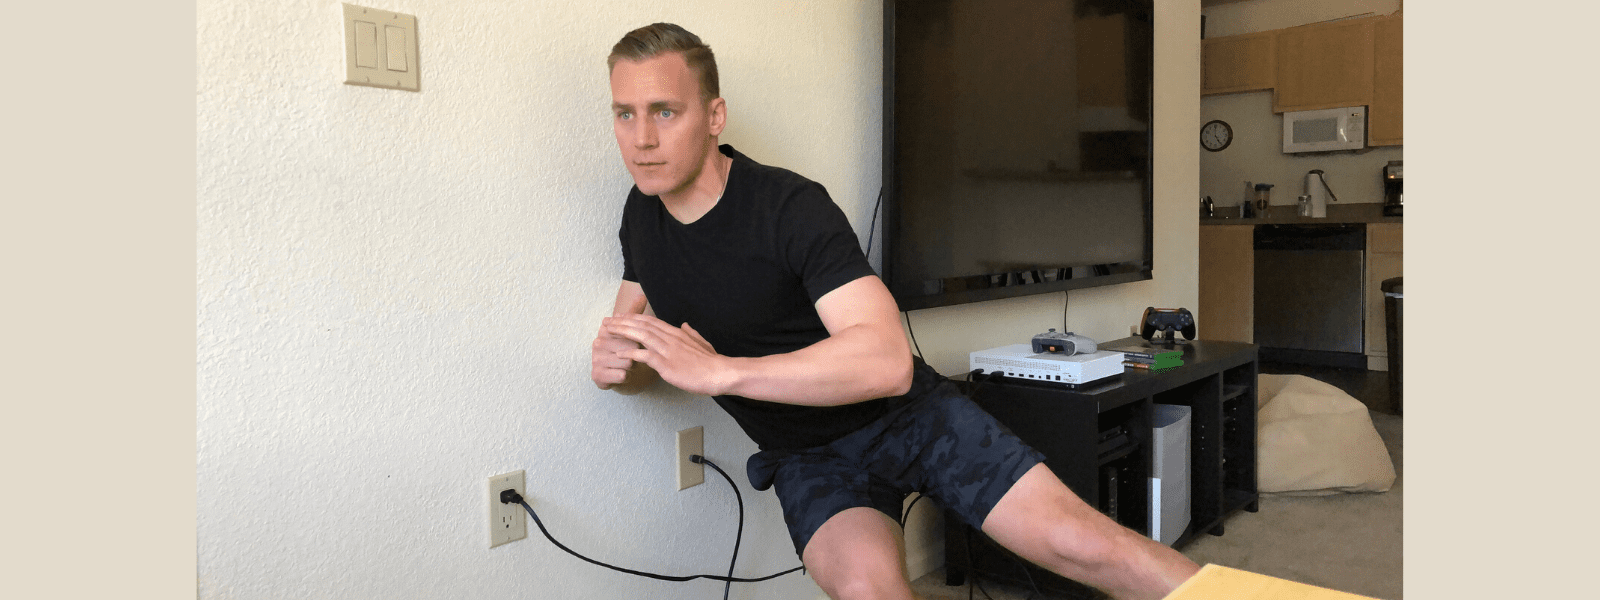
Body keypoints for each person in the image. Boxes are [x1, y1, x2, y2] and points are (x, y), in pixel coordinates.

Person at [590, 23, 1199, 600]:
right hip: (807, 457)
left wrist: (723, 372)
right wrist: (620, 369)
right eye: (625, 114)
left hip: (912, 418)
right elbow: (637, 342)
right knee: (867, 591)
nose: (642, 139)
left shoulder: (789, 206)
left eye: (664, 112)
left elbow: (887, 363)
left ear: (714, 116)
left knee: (1087, 548)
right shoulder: (640, 217)